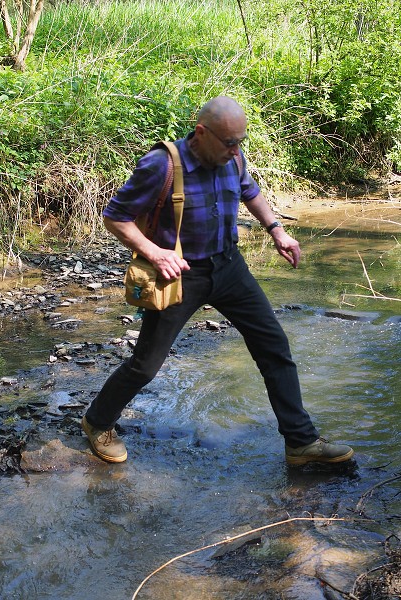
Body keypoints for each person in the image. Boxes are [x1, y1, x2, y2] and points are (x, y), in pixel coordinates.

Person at [82, 96, 354, 466]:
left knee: (274, 346)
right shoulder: (162, 165)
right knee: (145, 365)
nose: (235, 149)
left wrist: (276, 230)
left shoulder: (233, 158)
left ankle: (301, 443)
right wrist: (156, 252)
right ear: (201, 133)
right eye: (229, 142)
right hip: (178, 275)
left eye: (240, 141)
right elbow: (115, 216)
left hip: (229, 267)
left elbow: (250, 192)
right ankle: (97, 422)